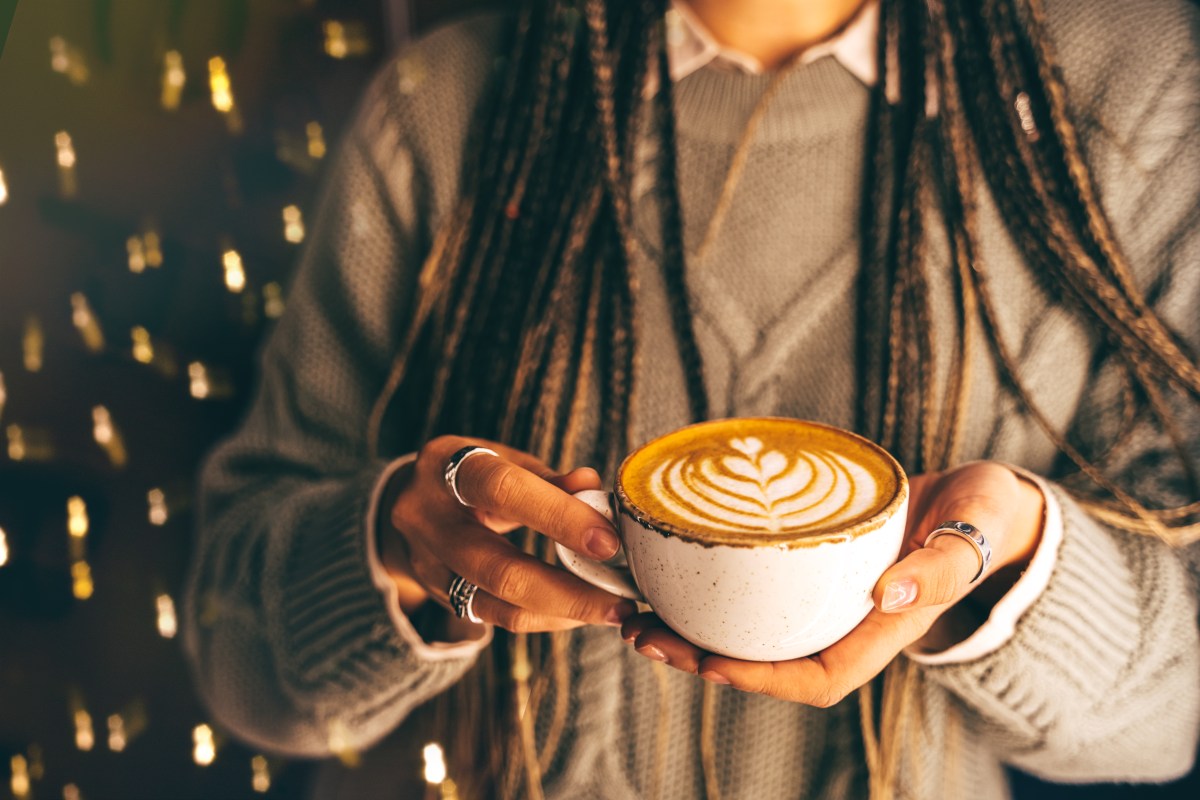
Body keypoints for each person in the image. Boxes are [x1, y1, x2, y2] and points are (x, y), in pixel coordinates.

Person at [183, 0, 1200, 797]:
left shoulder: (1124, 89)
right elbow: (236, 660)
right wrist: (404, 556)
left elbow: (1178, 712)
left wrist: (1017, 570)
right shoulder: (444, 106)